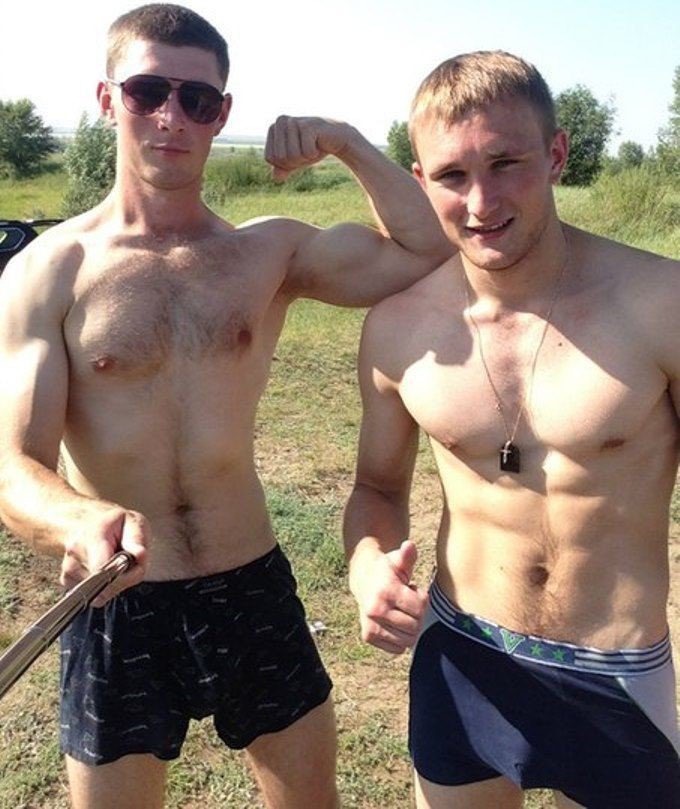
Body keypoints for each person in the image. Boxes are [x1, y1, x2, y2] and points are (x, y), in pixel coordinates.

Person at [0, 4, 452, 808]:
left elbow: (427, 247)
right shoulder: (50, 271)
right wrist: (74, 517)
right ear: (107, 100)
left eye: (197, 99)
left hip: (251, 584)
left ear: (222, 114)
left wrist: (345, 140)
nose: (171, 116)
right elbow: (13, 465)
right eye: (147, 92)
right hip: (116, 597)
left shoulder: (264, 252)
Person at [343, 50, 680, 808]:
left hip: (616, 672)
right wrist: (365, 563)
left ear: (555, 155)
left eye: (505, 163)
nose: (480, 200)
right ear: (421, 180)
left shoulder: (661, 303)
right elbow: (375, 487)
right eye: (452, 175)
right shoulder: (399, 329)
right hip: (463, 654)